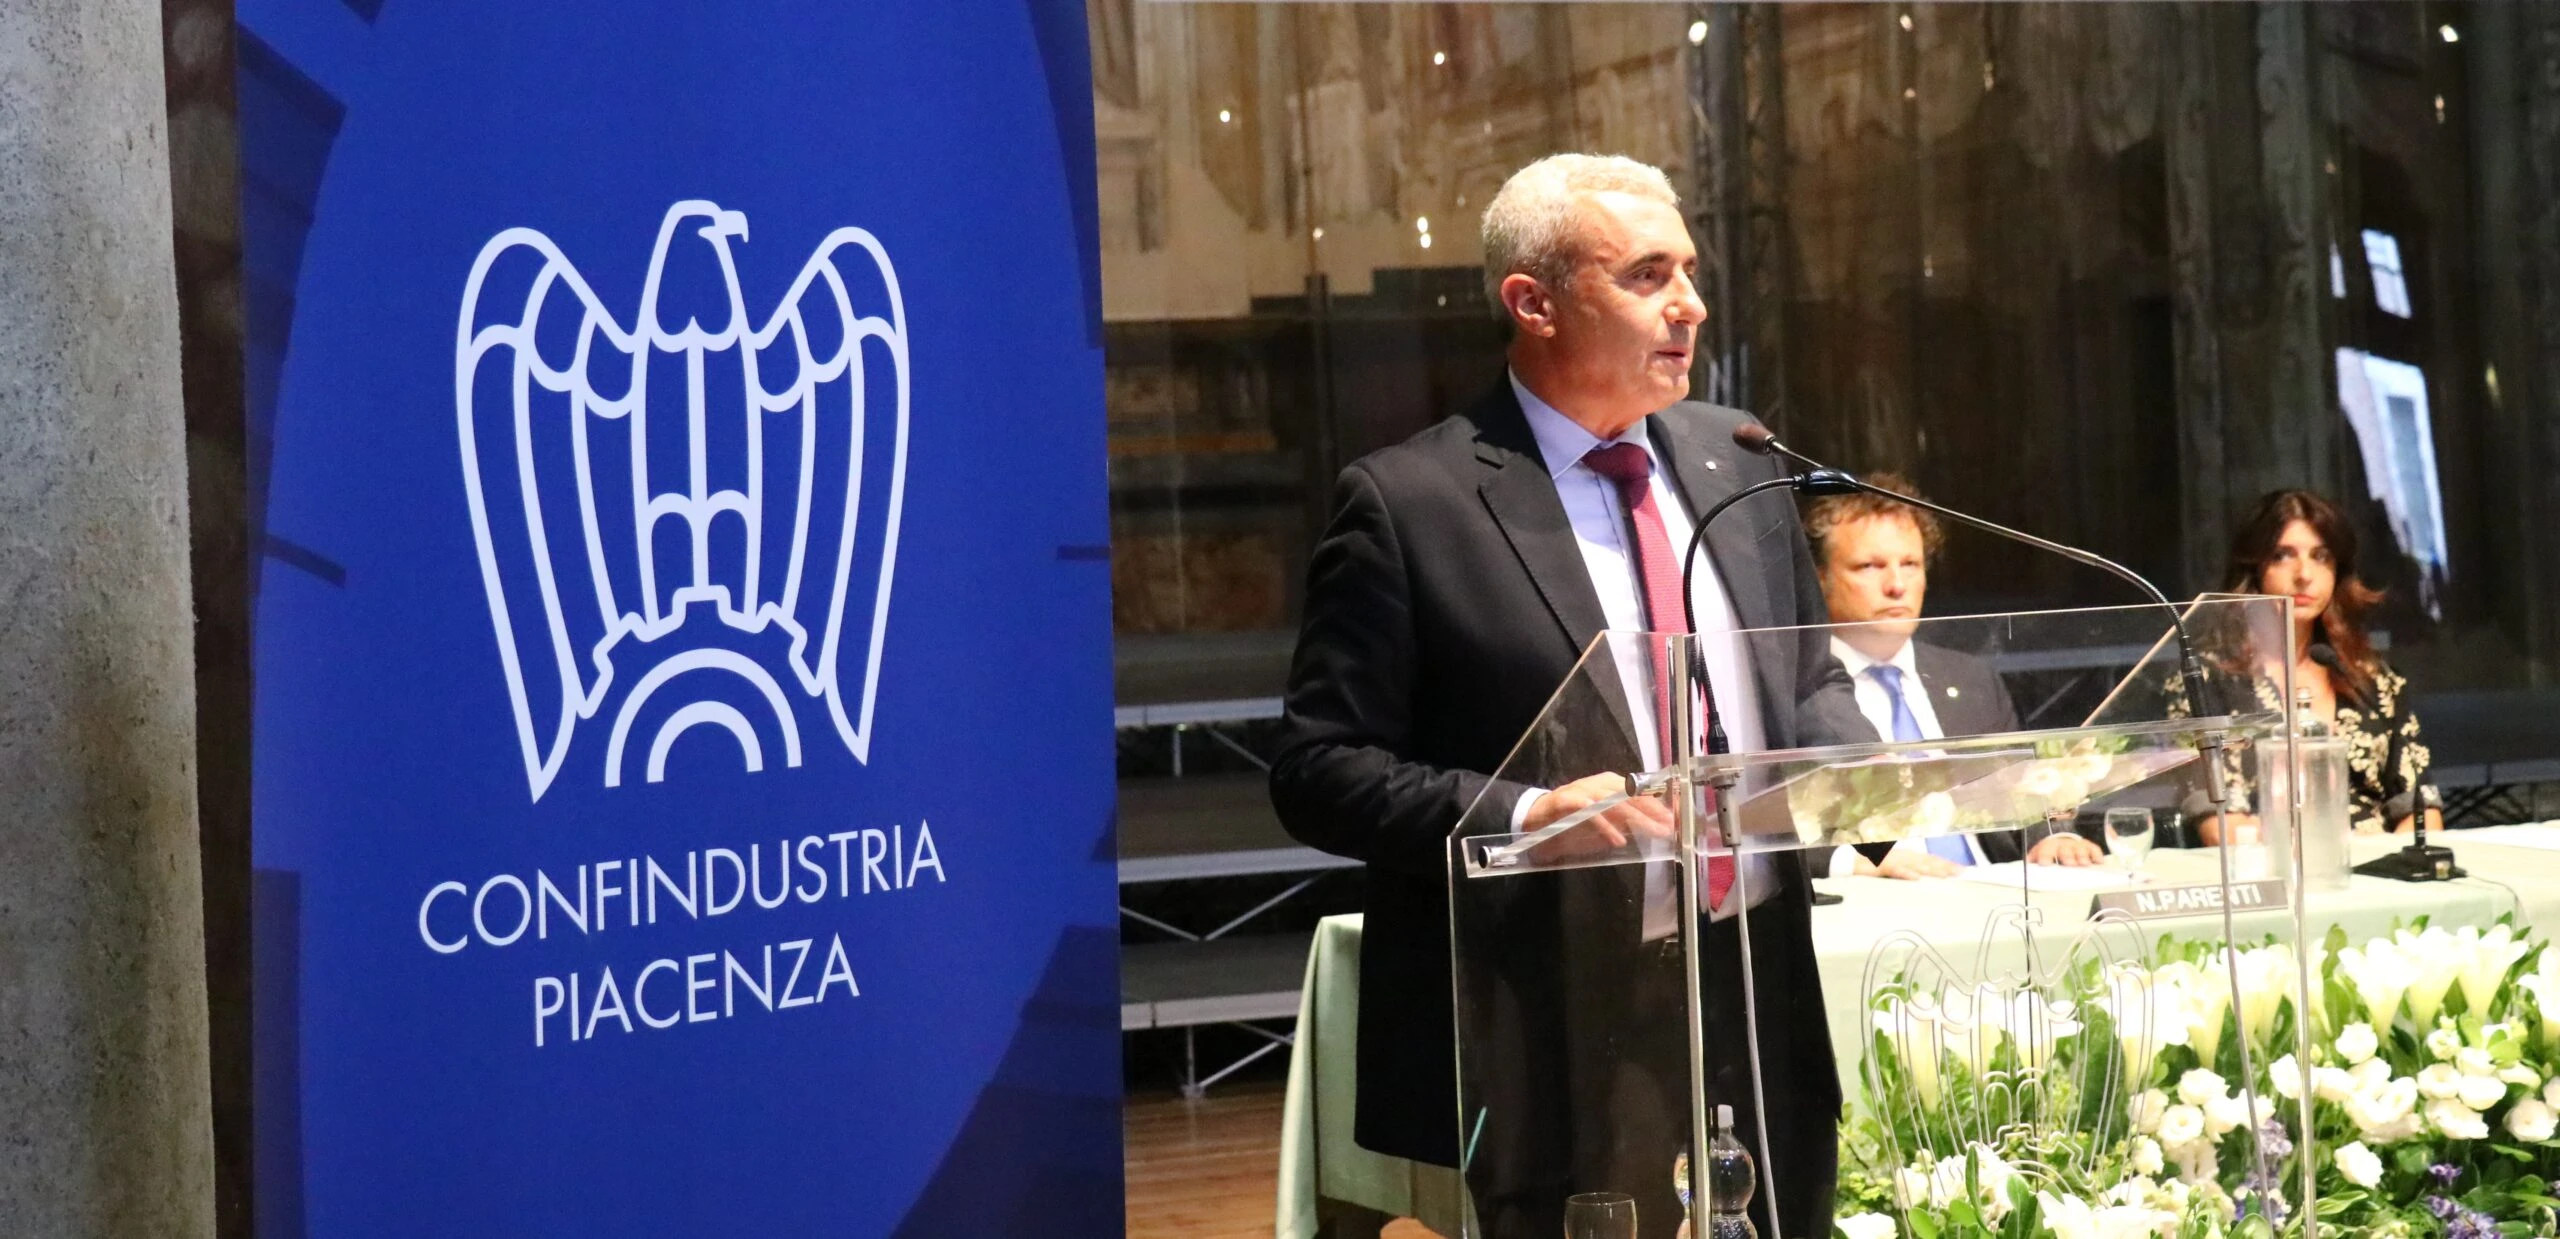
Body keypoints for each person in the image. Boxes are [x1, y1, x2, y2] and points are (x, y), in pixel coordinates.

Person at [1268, 154, 1855, 1239]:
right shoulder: (1411, 503)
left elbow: (1809, 679)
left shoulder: (1739, 457)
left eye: (1689, 270)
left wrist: (1853, 770)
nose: (1690, 303)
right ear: (1533, 303)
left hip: (1758, 980)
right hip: (1557, 1018)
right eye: (1646, 275)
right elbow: (1319, 770)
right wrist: (1530, 817)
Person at [1802, 476, 2106, 878]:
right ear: (1819, 577)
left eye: (1910, 564)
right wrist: (1851, 860)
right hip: (1879, 898)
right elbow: (1757, 833)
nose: (1896, 585)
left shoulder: (1970, 678)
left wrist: (2054, 837)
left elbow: (2021, 791)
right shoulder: (1795, 693)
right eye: (1870, 566)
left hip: (1991, 885)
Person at [2193, 489, 2439, 844]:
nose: (2304, 574)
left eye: (2321, 557)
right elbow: (2220, 826)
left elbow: (2422, 809)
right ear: (2254, 567)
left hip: (2380, 866)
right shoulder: (2208, 680)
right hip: (2270, 867)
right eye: (2283, 556)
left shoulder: (2374, 680)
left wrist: (2390, 865)